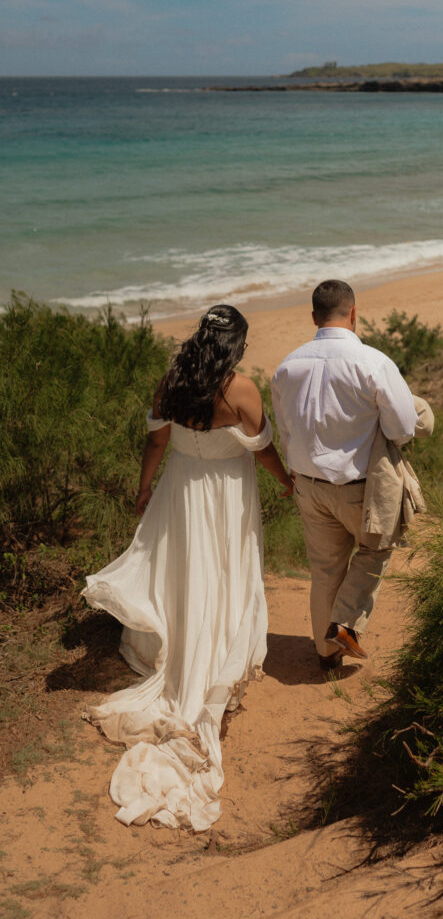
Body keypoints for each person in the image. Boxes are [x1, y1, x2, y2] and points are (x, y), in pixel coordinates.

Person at [82, 304, 293, 831]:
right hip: (226, 493)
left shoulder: (171, 381)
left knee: (183, 571)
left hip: (181, 487)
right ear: (236, 345)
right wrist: (286, 480)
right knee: (224, 572)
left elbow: (156, 440)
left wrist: (144, 486)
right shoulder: (240, 389)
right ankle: (216, 657)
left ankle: (178, 648)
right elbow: (263, 450)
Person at [271, 280, 418, 671]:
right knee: (375, 550)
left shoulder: (287, 366)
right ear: (353, 313)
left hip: (307, 485)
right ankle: (346, 624)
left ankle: (326, 654)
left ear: (314, 317)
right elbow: (404, 428)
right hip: (359, 489)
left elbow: (285, 429)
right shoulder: (373, 362)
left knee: (324, 571)